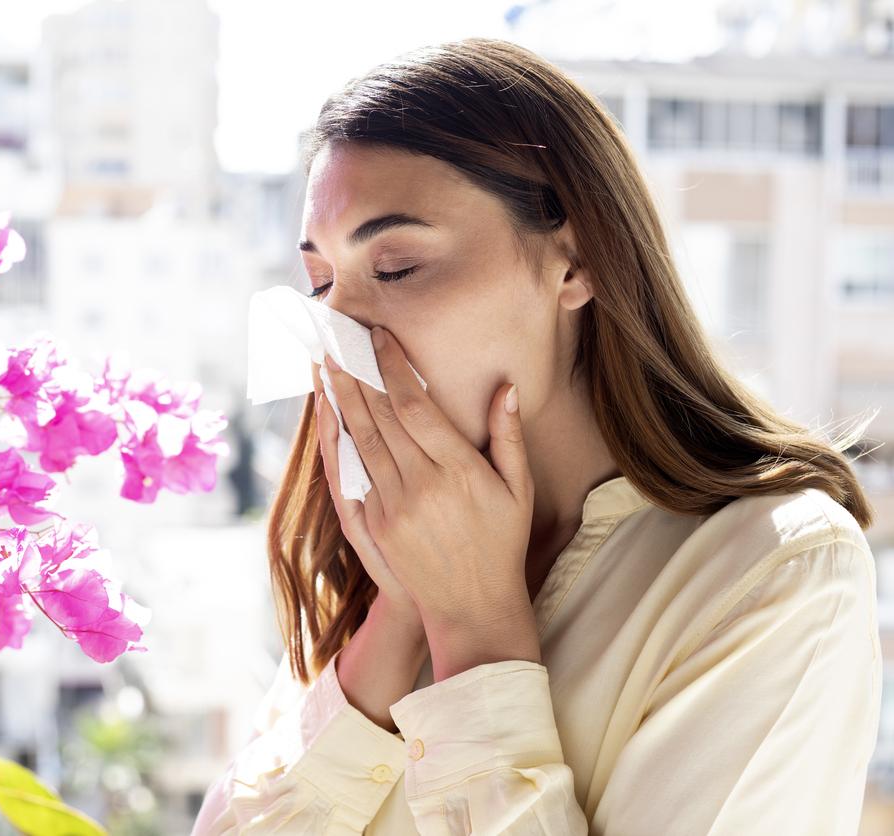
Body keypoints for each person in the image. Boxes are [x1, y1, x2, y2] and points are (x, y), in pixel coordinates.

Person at [192, 36, 881, 835]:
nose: (339, 329)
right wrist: (399, 617)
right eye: (319, 283)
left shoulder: (776, 573)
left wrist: (476, 628)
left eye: (396, 268)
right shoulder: (374, 557)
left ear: (575, 262)